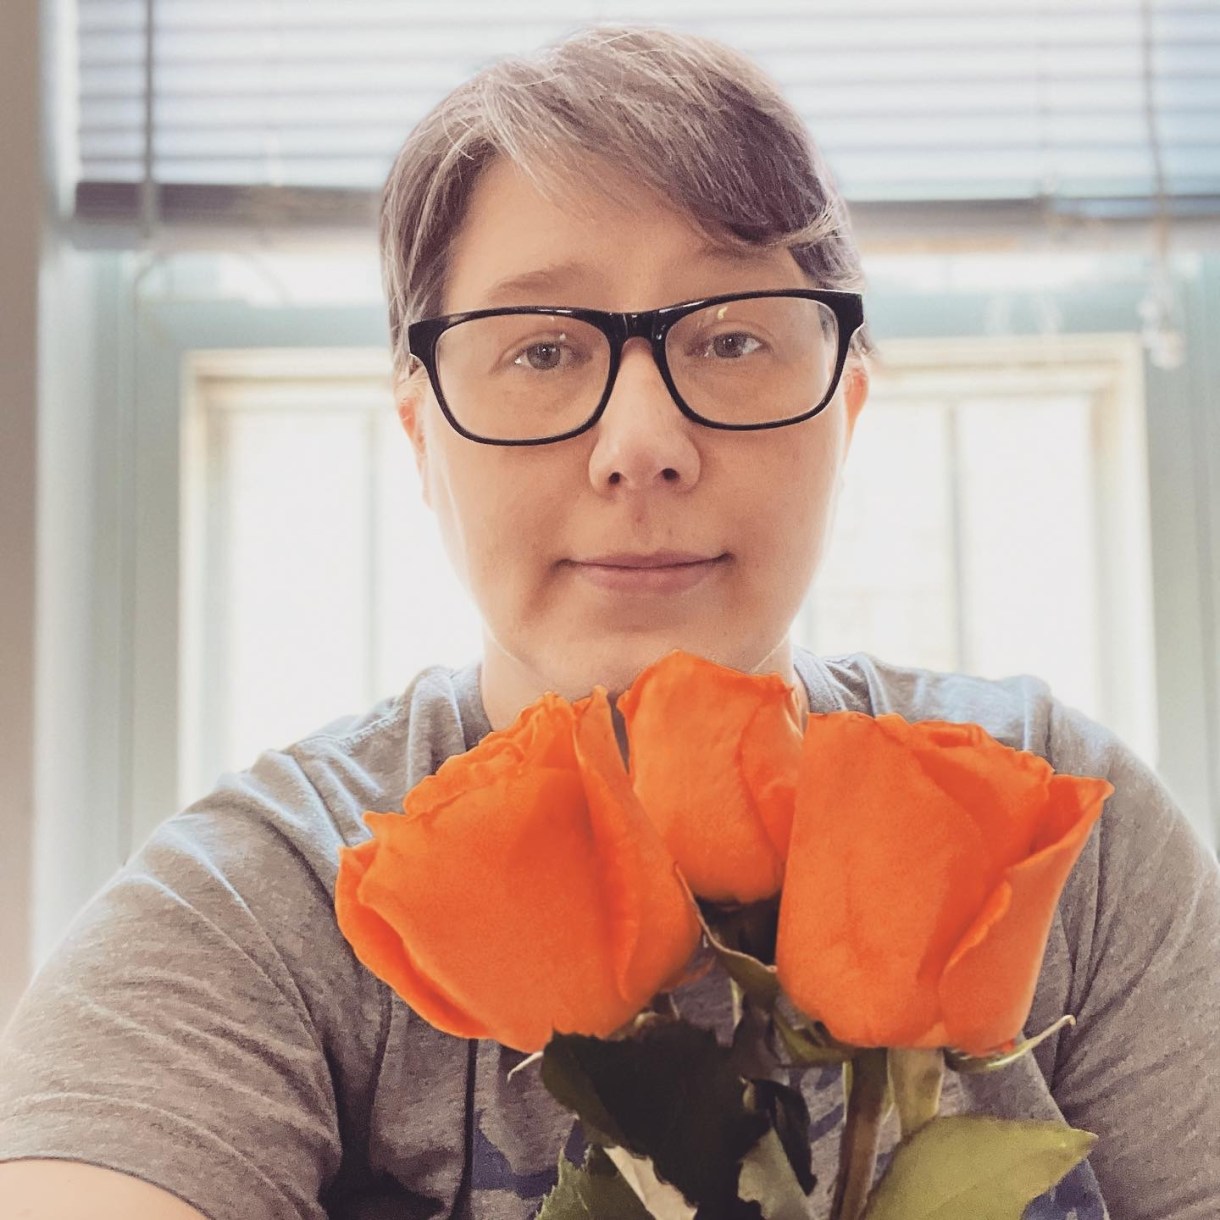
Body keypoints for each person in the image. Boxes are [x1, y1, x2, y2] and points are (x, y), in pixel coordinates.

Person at [1, 24, 1217, 1220]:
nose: (642, 445)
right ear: (422, 436)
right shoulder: (266, 901)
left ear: (846, 405)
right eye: (540, 350)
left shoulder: (1048, 827)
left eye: (731, 337)